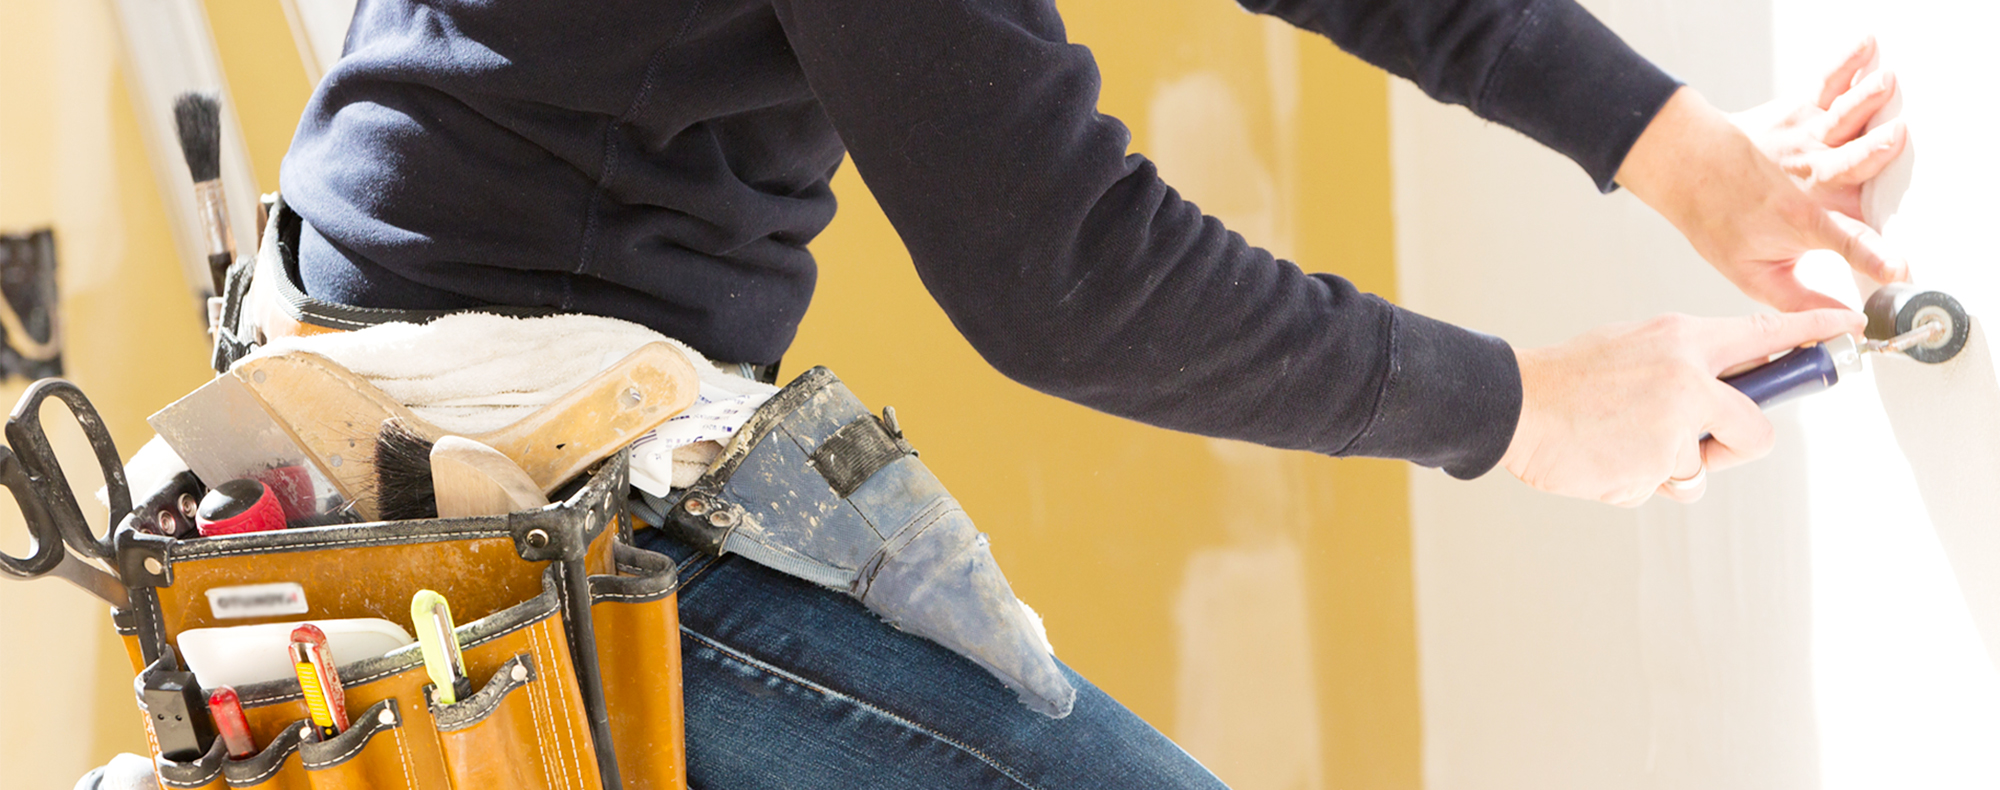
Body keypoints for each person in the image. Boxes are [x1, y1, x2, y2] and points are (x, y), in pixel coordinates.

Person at [220, 0, 1900, 787]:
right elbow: (1067, 272)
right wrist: (1528, 407)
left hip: (500, 412)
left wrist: (1677, 146)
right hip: (486, 485)